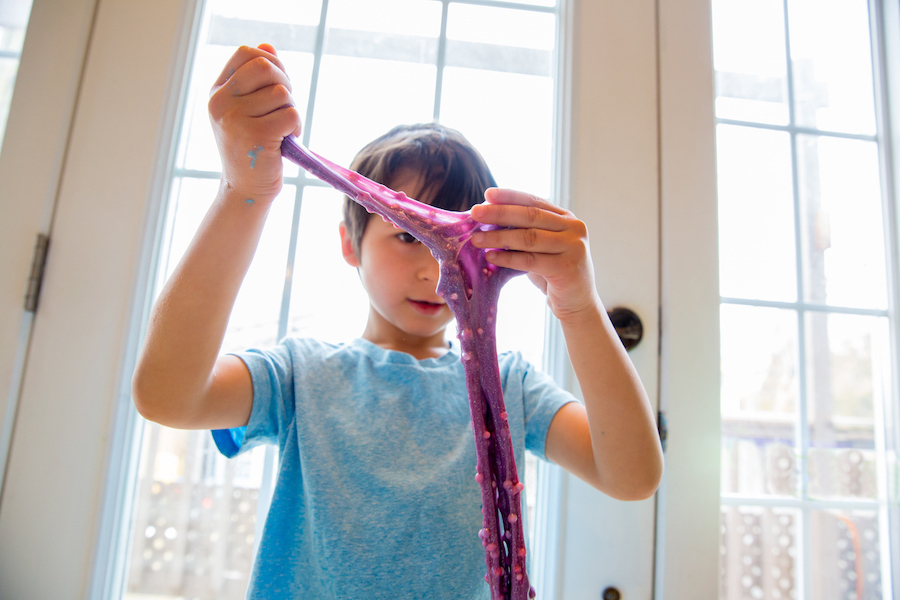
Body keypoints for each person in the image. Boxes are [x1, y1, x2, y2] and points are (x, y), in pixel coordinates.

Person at [132, 43, 664, 599]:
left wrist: (577, 306)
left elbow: (631, 475)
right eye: (408, 236)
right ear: (349, 244)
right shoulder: (300, 375)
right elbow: (168, 394)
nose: (438, 270)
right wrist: (243, 193)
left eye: (463, 246)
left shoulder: (506, 388)